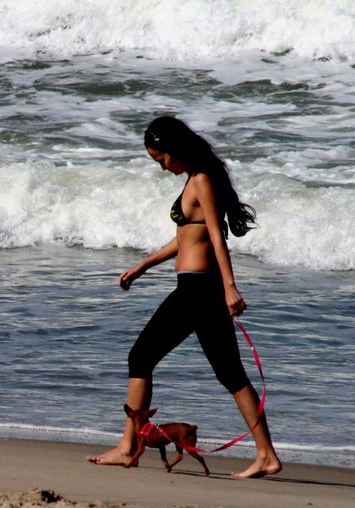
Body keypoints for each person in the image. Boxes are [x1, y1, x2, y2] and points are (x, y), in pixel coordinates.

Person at [88, 116, 282, 479]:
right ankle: (266, 455)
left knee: (142, 355)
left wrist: (229, 286)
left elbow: (215, 234)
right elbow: (186, 237)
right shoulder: (196, 179)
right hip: (194, 287)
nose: (162, 167)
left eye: (161, 159)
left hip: (200, 289)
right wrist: (144, 265)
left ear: (175, 150)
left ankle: (129, 447)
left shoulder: (202, 180)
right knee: (229, 374)